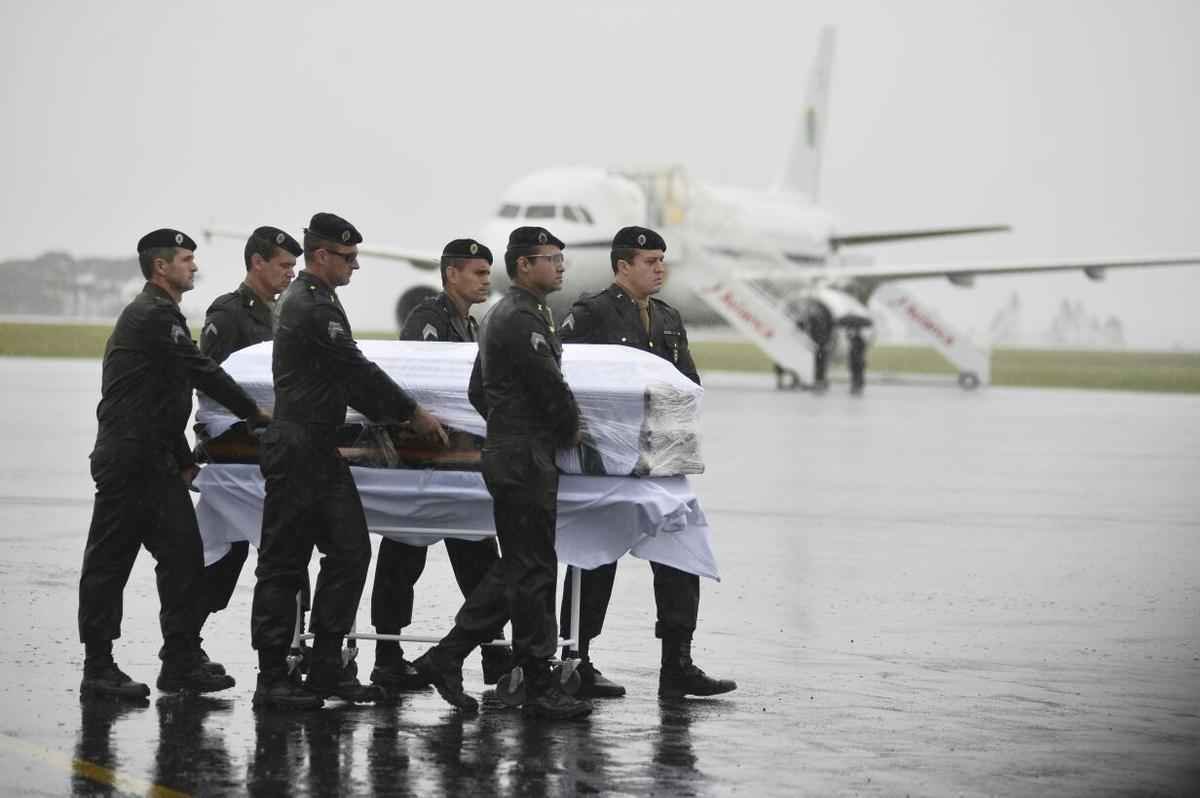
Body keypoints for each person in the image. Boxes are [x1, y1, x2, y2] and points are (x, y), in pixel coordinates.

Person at [249, 212, 449, 710]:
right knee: (284, 563)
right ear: (321, 255)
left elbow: (349, 374)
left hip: (318, 448)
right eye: (348, 257)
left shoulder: (321, 299)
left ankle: (325, 667)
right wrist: (411, 413)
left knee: (350, 551)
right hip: (297, 448)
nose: (356, 265)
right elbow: (356, 370)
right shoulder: (313, 305)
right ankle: (272, 677)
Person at [78, 228, 271, 700]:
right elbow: (198, 369)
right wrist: (255, 412)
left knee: (184, 558)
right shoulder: (151, 314)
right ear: (161, 267)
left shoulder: (162, 314)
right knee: (110, 563)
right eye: (186, 259)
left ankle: (180, 660)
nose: (194, 266)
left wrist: (182, 459)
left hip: (155, 459)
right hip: (129, 460)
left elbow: (164, 399)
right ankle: (99, 668)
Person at [413, 226, 591, 720]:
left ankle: (446, 656)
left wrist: (509, 425)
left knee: (520, 566)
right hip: (525, 458)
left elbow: (477, 390)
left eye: (561, 257)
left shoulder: (506, 315)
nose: (560, 265)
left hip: (512, 451)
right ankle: (537, 681)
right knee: (532, 570)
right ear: (524, 267)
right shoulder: (520, 317)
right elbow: (550, 387)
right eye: (550, 258)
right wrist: (566, 427)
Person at [558, 225, 737, 700]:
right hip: (607, 466)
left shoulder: (669, 317)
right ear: (622, 266)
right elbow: (566, 383)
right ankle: (575, 660)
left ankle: (676, 662)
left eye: (662, 260)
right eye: (650, 261)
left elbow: (687, 383)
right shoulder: (591, 313)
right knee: (593, 558)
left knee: (681, 552)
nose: (661, 268)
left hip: (660, 463)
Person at [369, 238, 512, 691]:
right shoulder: (429, 320)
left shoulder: (469, 325)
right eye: (477, 273)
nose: (486, 280)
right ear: (452, 275)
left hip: (457, 463)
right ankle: (387, 656)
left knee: (478, 560)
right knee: (401, 561)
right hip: (423, 463)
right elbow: (424, 384)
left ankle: (494, 654)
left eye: (488, 273)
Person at [194, 226, 302, 671]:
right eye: (283, 266)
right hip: (236, 456)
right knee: (225, 555)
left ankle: (292, 646)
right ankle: (184, 642)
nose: (290, 275)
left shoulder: (281, 314)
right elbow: (211, 383)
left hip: (268, 455)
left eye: (295, 267)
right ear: (257, 263)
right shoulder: (230, 314)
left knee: (274, 554)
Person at [848, 326, 867, 394]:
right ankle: (855, 387)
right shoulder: (855, 339)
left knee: (857, 374)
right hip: (856, 360)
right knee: (856, 374)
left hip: (858, 360)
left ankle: (857, 387)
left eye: (857, 331)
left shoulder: (860, 340)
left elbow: (862, 349)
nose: (856, 332)